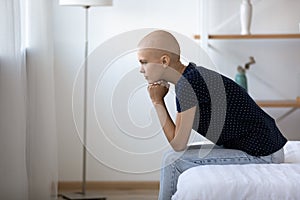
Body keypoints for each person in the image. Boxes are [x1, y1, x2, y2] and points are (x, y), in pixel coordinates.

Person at [137, 30, 287, 200]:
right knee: (171, 158)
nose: (141, 70)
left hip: (263, 153)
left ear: (164, 61)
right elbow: (178, 139)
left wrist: (157, 102)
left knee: (172, 161)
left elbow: (178, 144)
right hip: (261, 147)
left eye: (144, 62)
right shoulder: (189, 77)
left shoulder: (188, 85)